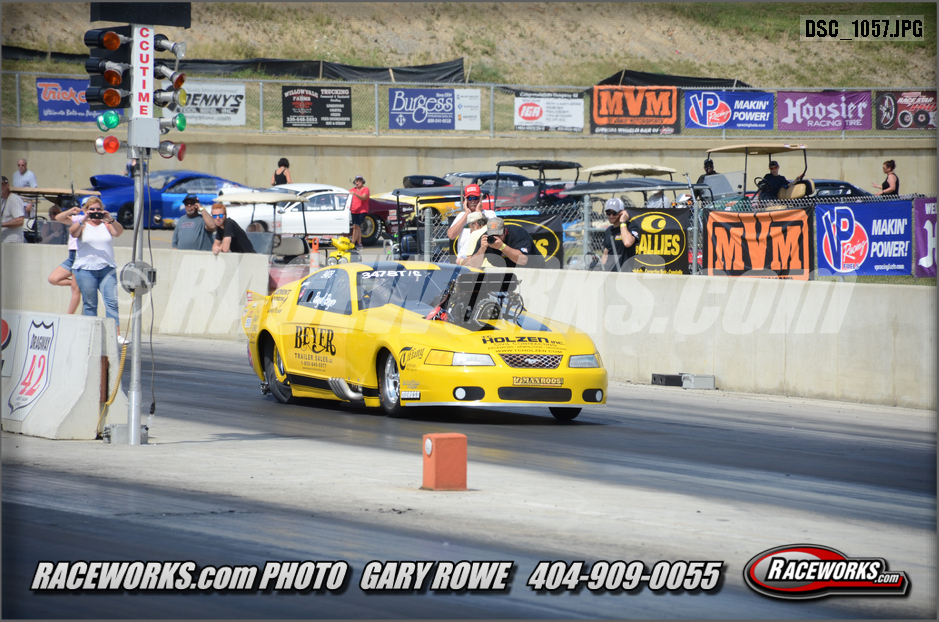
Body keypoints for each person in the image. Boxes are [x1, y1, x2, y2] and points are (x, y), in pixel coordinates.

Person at [69, 196, 125, 343]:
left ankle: (115, 335)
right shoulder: (82, 225)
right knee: (90, 303)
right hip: (86, 269)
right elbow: (73, 232)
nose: (95, 212)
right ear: (86, 210)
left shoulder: (106, 225)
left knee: (112, 302)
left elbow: (119, 232)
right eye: (92, 209)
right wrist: (84, 218)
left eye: (98, 209)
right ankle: (91, 335)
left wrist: (111, 219)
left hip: (107, 268)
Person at [49, 199, 86, 314]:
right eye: (84, 206)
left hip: (80, 254)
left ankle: (69, 315)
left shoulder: (93, 221)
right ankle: (79, 283)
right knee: (53, 279)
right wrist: (71, 211)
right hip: (72, 255)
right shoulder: (78, 218)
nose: (87, 209)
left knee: (75, 290)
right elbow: (58, 218)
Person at [465, 216, 543, 269]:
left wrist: (502, 247)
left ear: (505, 231)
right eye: (492, 235)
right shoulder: (485, 239)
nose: (496, 238)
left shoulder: (518, 233)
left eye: (498, 234)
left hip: (533, 269)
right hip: (506, 271)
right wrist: (482, 249)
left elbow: (523, 260)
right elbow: (474, 265)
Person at [598, 197, 640, 272]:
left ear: (622, 212)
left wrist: (623, 222)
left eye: (614, 213)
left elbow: (627, 243)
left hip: (625, 274)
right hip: (610, 273)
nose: (611, 216)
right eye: (608, 213)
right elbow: (605, 254)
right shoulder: (609, 231)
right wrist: (601, 269)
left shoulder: (631, 227)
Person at [1, 176, 26, 243]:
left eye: (2, 184)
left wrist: (2, 224)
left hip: (13, 242)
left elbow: (20, 221)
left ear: (7, 185)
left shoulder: (14, 199)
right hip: (4, 241)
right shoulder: (3, 200)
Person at [349, 174, 370, 250]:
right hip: (354, 210)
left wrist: (355, 194)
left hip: (362, 211)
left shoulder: (365, 189)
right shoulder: (352, 189)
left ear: (362, 182)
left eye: (360, 181)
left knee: (356, 226)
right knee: (357, 227)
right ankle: (359, 243)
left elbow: (364, 197)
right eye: (357, 181)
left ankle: (352, 243)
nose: (358, 182)